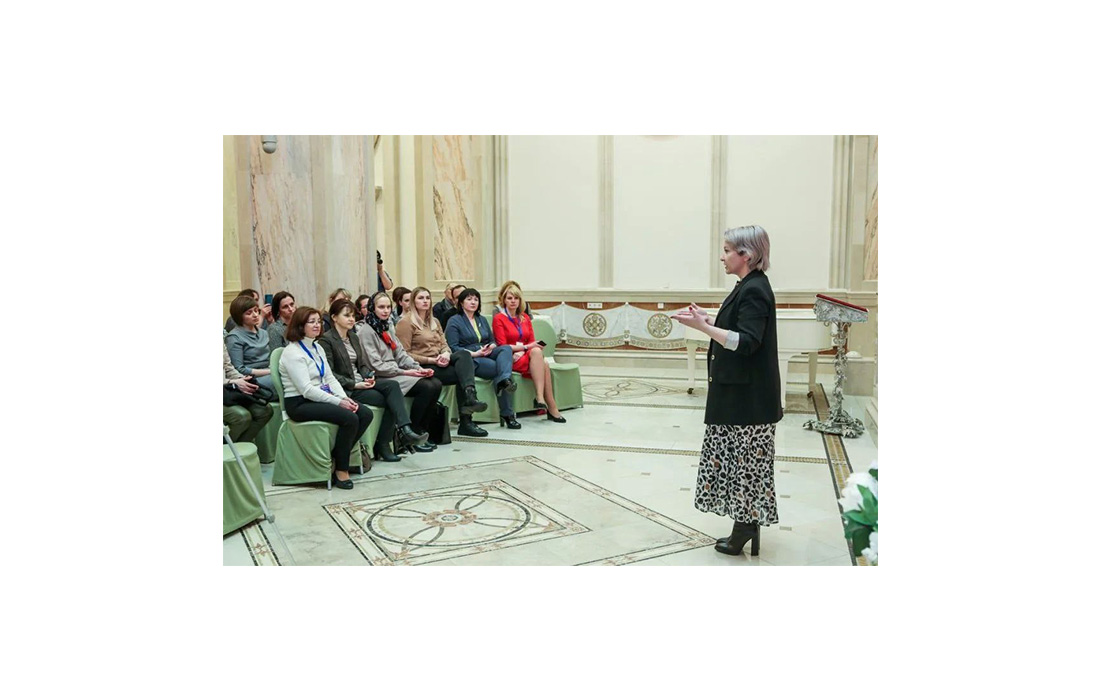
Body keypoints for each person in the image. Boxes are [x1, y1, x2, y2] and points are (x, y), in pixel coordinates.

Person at [671, 225, 782, 557]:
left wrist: (703, 327)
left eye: (727, 250)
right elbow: (737, 329)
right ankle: (744, 525)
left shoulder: (755, 289)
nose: (722, 257)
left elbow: (746, 342)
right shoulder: (747, 285)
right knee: (741, 466)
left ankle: (745, 527)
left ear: (746, 254)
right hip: (740, 395)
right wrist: (707, 320)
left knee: (747, 467)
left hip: (748, 399)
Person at [318, 298, 429, 463]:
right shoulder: (326, 341)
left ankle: (403, 431)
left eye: (353, 316)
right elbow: (330, 374)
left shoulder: (353, 337)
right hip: (347, 388)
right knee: (391, 398)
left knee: (393, 387)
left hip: (362, 382)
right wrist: (355, 384)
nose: (351, 319)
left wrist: (368, 375)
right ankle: (386, 443)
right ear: (334, 317)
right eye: (346, 315)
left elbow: (362, 364)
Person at [279, 307, 374, 489]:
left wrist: (344, 398)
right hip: (299, 403)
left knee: (365, 413)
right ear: (300, 325)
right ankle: (341, 470)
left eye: (318, 321)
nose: (317, 325)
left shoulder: (317, 347)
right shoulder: (292, 352)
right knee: (350, 418)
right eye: (311, 322)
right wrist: (339, 402)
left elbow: (329, 378)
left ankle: (337, 456)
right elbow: (306, 390)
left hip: (321, 396)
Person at [396, 287, 489, 438]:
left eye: (427, 298)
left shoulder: (434, 321)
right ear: (413, 301)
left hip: (439, 360)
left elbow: (444, 344)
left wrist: (445, 354)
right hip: (422, 364)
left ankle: (470, 397)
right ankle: (466, 420)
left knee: (464, 356)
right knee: (462, 374)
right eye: (421, 298)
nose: (425, 301)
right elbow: (404, 354)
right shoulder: (406, 323)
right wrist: (432, 360)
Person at [357, 291, 443, 453]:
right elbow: (375, 365)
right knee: (427, 387)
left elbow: (401, 354)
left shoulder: (387, 326)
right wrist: (406, 373)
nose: (385, 311)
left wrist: (418, 368)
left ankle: (421, 430)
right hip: (382, 375)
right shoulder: (366, 331)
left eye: (388, 307)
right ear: (372, 308)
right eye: (381, 307)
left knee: (435, 383)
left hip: (396, 372)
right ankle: (412, 431)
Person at [445, 287, 519, 429]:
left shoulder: (482, 319)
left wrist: (491, 346)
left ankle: (504, 381)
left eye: (476, 299)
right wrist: (475, 353)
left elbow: (492, 340)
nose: (473, 302)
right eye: (469, 299)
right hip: (470, 358)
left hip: (486, 352)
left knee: (506, 349)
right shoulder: (454, 321)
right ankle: (507, 413)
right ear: (461, 303)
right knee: (500, 370)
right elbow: (453, 348)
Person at [493, 282, 566, 423]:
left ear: (520, 300)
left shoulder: (525, 317)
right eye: (509, 298)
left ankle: (541, 399)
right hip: (510, 357)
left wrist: (525, 349)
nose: (513, 301)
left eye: (516, 298)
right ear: (504, 300)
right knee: (544, 364)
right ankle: (549, 405)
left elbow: (532, 341)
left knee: (538, 353)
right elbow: (502, 345)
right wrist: (524, 348)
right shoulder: (499, 318)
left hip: (525, 354)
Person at [223, 343, 273, 443]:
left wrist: (242, 379)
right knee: (242, 417)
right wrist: (231, 382)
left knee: (264, 410)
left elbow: (228, 368)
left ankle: (240, 447)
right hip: (225, 387)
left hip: (227, 390)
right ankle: (227, 449)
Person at [225, 294, 274, 391]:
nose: (255, 315)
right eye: (249, 313)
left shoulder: (264, 333)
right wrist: (270, 371)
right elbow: (239, 369)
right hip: (251, 378)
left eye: (256, 310)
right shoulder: (234, 337)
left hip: (270, 371)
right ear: (240, 316)